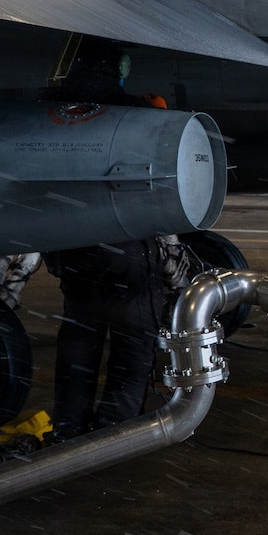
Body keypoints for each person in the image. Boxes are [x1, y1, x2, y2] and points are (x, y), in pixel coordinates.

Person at [39, 38, 195, 440]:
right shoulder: (137, 115)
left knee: (78, 344)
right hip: (126, 250)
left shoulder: (50, 111)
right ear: (118, 67)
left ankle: (69, 429)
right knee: (132, 348)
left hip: (73, 249)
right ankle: (115, 433)